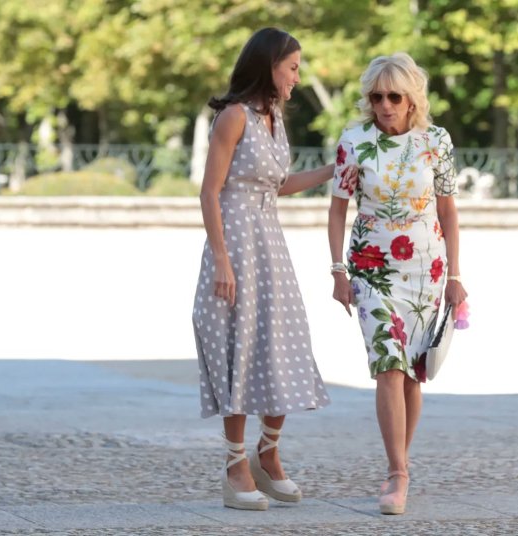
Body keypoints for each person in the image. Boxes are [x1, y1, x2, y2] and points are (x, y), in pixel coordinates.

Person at [192, 27, 333, 511]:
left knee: (284, 344)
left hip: (271, 246)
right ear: (268, 66)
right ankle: (235, 466)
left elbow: (278, 184)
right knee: (240, 347)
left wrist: (334, 172)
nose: (297, 76)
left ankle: (267, 454)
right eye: (292, 67)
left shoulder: (274, 118)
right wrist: (222, 260)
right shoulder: (232, 118)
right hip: (235, 244)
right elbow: (210, 191)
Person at [327, 52, 468, 515]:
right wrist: (338, 271)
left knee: (413, 374)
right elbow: (338, 209)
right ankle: (397, 473)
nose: (384, 105)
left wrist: (456, 275)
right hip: (371, 268)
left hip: (425, 271)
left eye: (394, 96)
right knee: (388, 363)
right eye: (376, 96)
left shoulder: (436, 141)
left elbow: (447, 210)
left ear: (412, 100)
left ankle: (400, 464)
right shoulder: (354, 141)